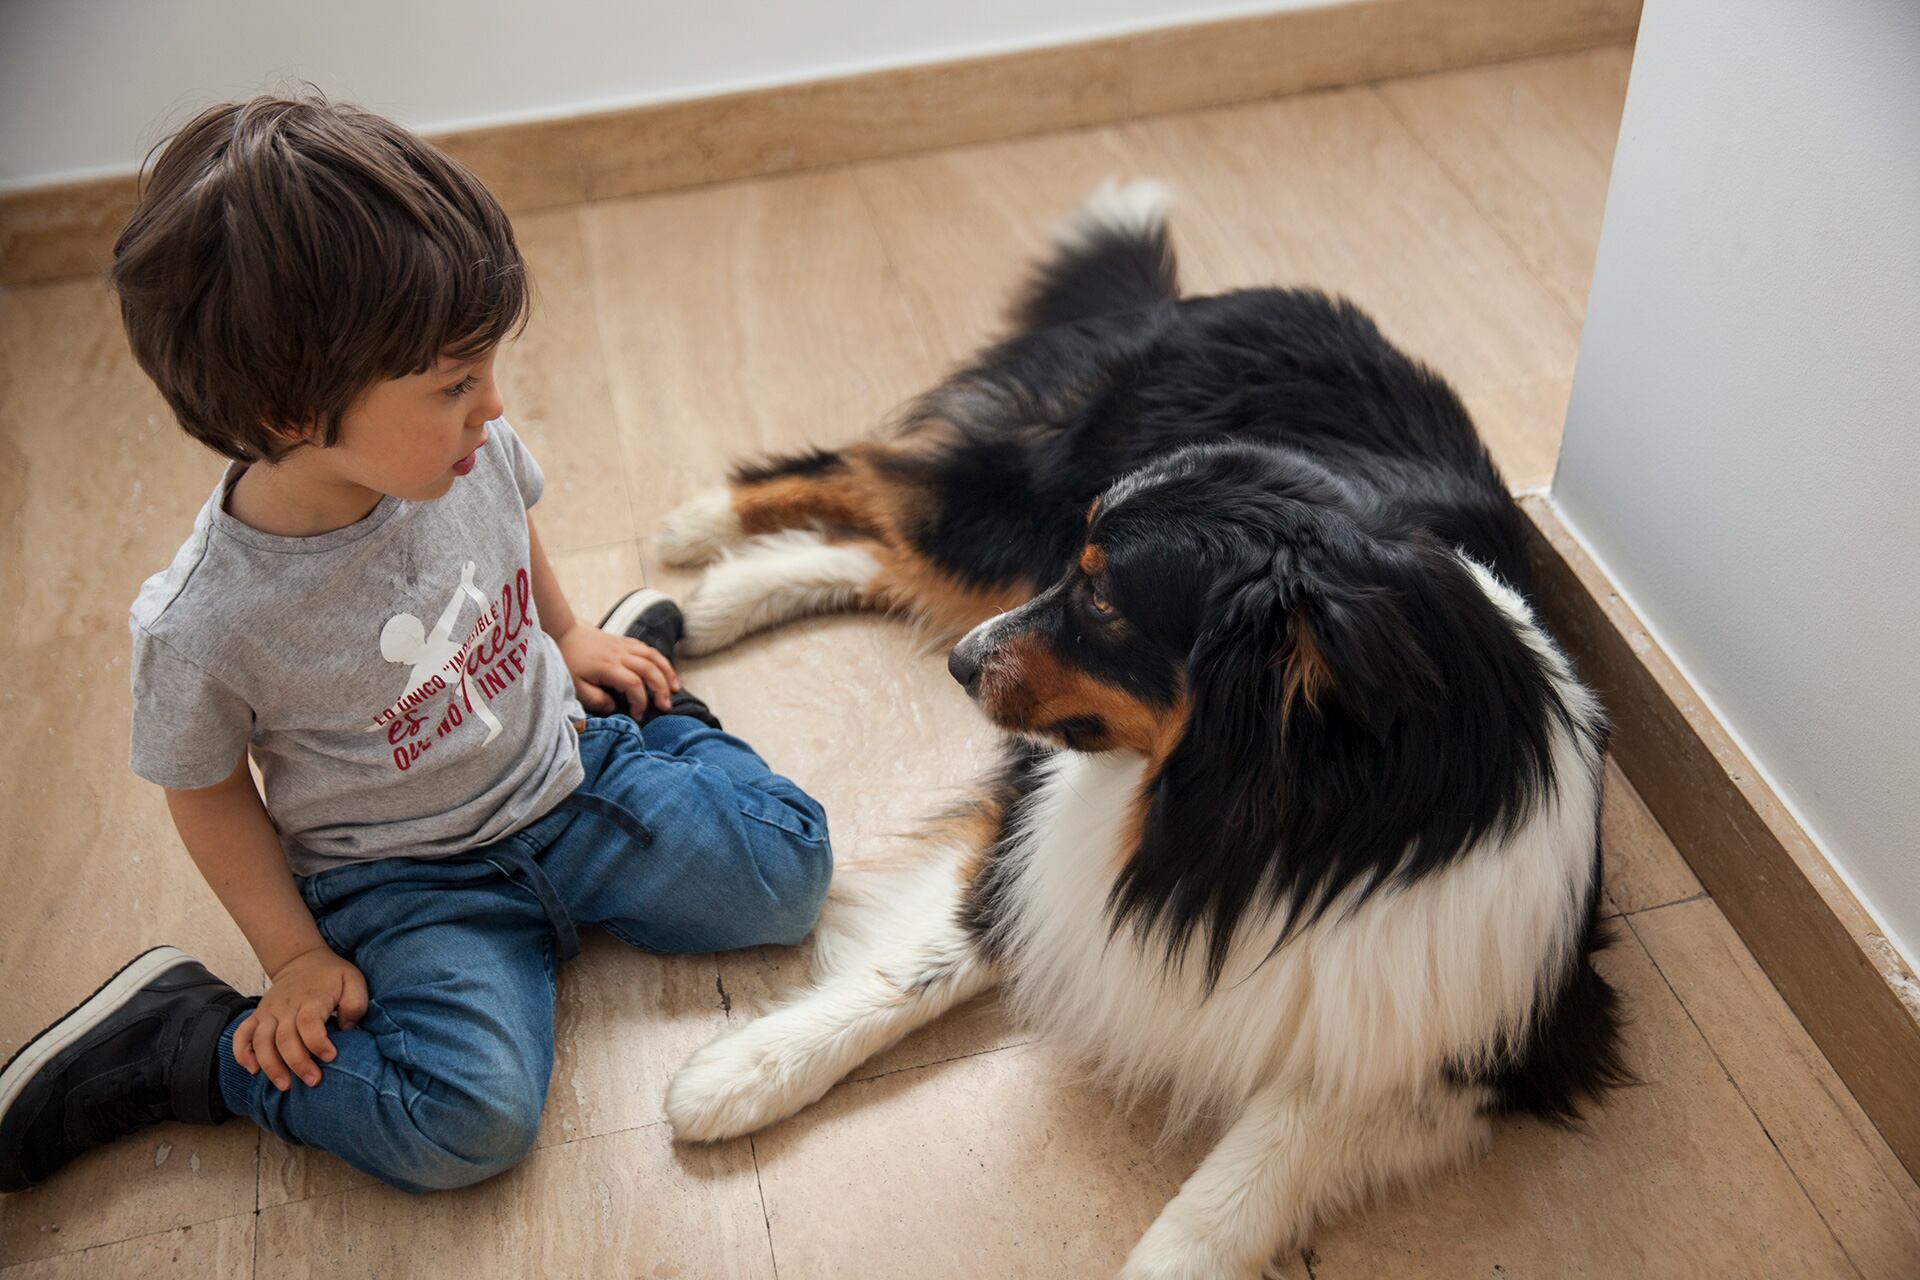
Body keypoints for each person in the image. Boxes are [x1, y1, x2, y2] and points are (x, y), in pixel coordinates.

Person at [0, 95, 831, 1195]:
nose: (494, 404)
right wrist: (296, 956)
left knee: (789, 873)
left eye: (485, 367)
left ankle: (645, 695)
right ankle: (187, 1042)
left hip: (559, 767)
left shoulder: (460, 447)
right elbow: (205, 790)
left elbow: (512, 520)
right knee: (468, 1121)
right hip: (404, 881)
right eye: (452, 383)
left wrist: (570, 630)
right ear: (293, 407)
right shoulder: (203, 621)